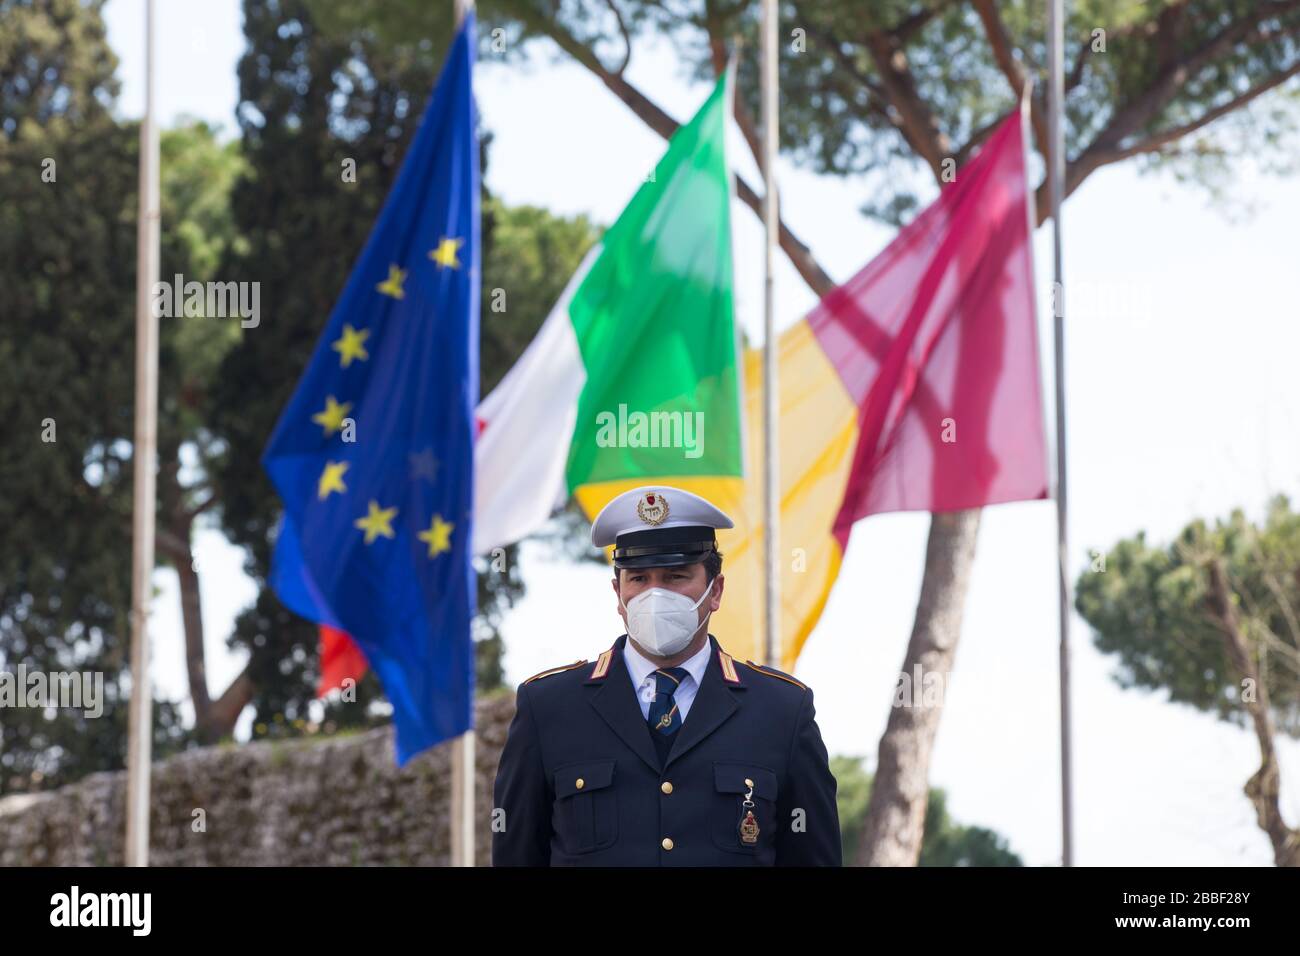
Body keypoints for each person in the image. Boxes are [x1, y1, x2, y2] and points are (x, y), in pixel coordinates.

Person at [491, 484, 842, 866]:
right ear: (618, 593)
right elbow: (516, 855)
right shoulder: (548, 707)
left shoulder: (782, 711)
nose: (654, 594)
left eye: (675, 577)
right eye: (638, 579)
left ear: (716, 590)